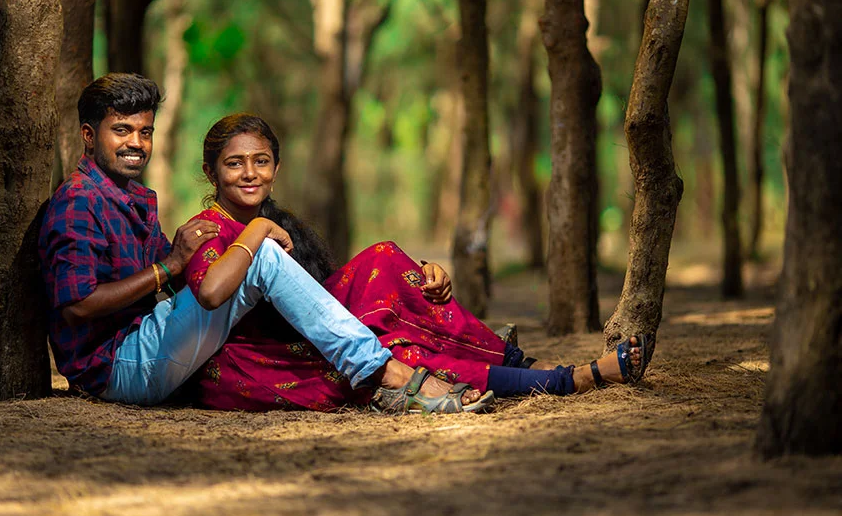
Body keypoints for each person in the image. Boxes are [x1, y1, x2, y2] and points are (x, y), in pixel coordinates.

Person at [38, 73, 497, 414]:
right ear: (88, 135)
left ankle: (477, 354)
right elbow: (77, 305)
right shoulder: (78, 204)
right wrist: (174, 264)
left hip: (147, 341)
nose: (136, 143)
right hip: (120, 365)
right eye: (121, 131)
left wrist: (185, 266)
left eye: (145, 131)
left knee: (364, 265)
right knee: (262, 256)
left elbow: (188, 285)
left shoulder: (129, 197)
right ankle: (390, 376)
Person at [178, 113, 650, 412]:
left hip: (316, 334)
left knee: (385, 259)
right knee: (400, 348)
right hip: (263, 354)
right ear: (211, 172)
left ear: (276, 169)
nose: (249, 174)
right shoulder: (206, 230)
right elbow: (213, 295)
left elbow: (322, 293)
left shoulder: (280, 221)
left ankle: (523, 364)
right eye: (234, 164)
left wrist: (423, 278)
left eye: (260, 161)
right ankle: (567, 380)